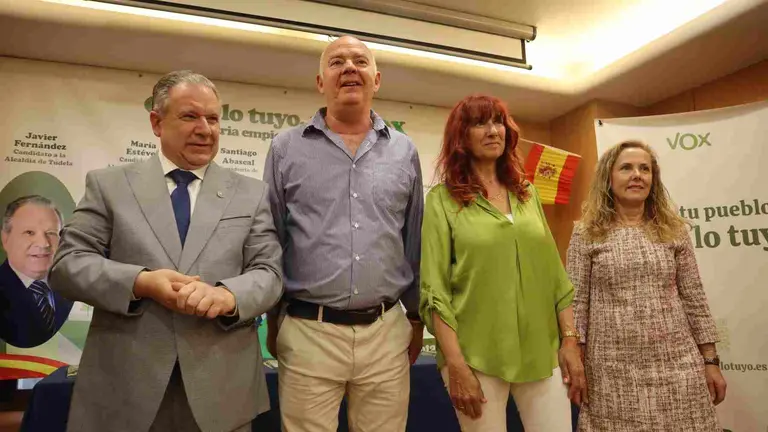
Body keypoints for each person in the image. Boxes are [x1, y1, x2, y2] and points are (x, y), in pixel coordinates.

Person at [49, 71, 283, 432]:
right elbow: (67, 265)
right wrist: (141, 282)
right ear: (156, 123)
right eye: (190, 116)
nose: (205, 129)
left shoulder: (251, 194)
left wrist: (227, 296)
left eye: (213, 118)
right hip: (125, 388)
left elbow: (269, 272)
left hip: (220, 389)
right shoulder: (110, 185)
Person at [263, 35, 424, 432]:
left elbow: (414, 240)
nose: (349, 68)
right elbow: (269, 235)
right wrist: (274, 315)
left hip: (387, 332)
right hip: (308, 331)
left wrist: (417, 317)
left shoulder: (404, 151)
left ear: (377, 79)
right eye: (336, 62)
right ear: (321, 82)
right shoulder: (286, 148)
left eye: (359, 61)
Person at [419, 94, 585, 432]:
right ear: (461, 137)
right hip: (475, 354)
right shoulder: (442, 200)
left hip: (542, 349)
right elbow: (434, 290)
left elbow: (555, 276)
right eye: (480, 123)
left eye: (499, 122)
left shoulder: (528, 193)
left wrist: (569, 341)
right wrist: (455, 364)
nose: (494, 130)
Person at [567, 140, 726, 431]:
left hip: (678, 368)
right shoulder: (586, 234)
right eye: (626, 168)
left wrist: (711, 361)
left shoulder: (674, 231)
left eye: (645, 169)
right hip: (611, 372)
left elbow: (694, 299)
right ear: (608, 177)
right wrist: (576, 360)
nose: (637, 175)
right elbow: (576, 303)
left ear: (654, 179)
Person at [0, 195, 73, 348]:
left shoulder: (71, 287)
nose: (43, 243)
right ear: (5, 239)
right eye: (29, 232)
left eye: (51, 233)